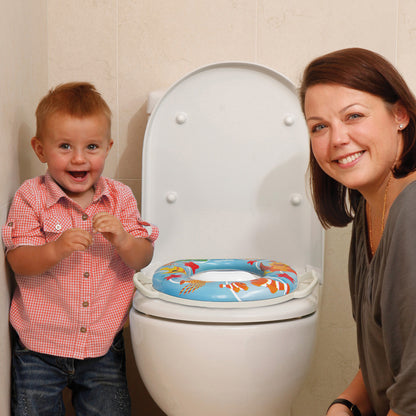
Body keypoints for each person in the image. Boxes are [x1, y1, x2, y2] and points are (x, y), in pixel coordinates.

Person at [2, 82, 159, 416]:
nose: (78, 158)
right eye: (64, 146)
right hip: (38, 346)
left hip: (102, 343)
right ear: (40, 149)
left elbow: (144, 257)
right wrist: (54, 250)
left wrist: (124, 240)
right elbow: (18, 260)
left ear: (107, 148)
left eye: (91, 146)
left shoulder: (120, 198)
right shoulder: (31, 197)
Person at [300, 48, 416, 416]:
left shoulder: (411, 214)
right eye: (319, 126)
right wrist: (345, 404)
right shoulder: (372, 205)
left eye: (353, 116)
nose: (337, 139)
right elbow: (386, 358)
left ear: (399, 114)